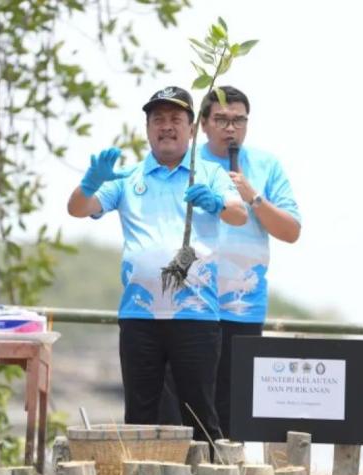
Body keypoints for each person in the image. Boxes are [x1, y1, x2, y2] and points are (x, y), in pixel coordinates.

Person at [67, 86, 247, 443]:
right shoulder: (128, 177)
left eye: (176, 119)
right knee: (140, 417)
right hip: (139, 316)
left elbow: (239, 215)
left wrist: (215, 202)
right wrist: (89, 183)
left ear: (192, 128)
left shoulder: (208, 173)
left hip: (195, 315)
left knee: (199, 414)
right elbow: (78, 208)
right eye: (158, 119)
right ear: (147, 128)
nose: (167, 126)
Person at [200, 86, 301, 436]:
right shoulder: (188, 161)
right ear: (203, 124)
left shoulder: (266, 165)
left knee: (233, 413)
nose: (231, 128)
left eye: (238, 120)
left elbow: (291, 231)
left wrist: (253, 196)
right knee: (190, 406)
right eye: (222, 120)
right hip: (191, 306)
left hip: (244, 307)